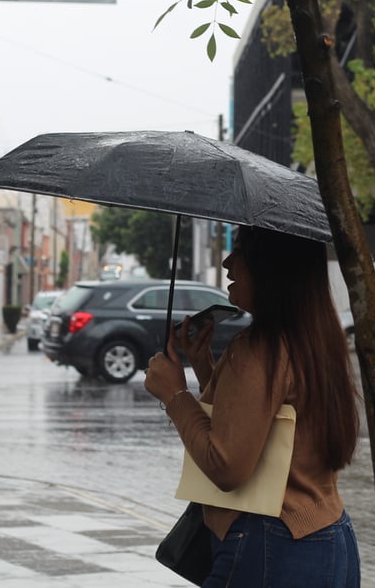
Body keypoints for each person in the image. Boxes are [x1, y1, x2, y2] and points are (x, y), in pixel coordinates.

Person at [145, 226, 361, 587]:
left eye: (242, 250)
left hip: (268, 544)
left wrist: (175, 395)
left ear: (273, 264)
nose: (228, 263)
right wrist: (205, 367)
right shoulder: (316, 336)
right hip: (329, 538)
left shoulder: (259, 347)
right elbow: (260, 421)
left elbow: (227, 466)